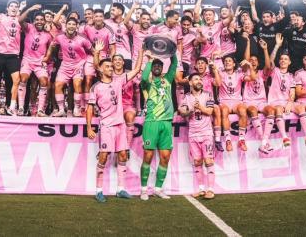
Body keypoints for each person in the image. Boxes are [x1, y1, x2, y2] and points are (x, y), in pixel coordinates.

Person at [87, 44, 149, 202]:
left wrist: (141, 52)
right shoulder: (96, 88)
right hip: (107, 126)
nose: (110, 68)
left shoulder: (118, 81)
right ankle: (98, 190)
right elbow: (89, 108)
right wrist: (89, 128)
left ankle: (121, 189)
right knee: (103, 156)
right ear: (101, 70)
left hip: (121, 125)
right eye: (107, 66)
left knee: (122, 155)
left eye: (111, 66)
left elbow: (136, 70)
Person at [0, 0, 35, 115]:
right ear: (7, 8)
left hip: (13, 55)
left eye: (16, 6)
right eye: (11, 6)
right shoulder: (1, 17)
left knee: (17, 80)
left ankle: (12, 107)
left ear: (18, 9)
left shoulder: (21, 20)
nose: (13, 8)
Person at [139, 53, 177, 200]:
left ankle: (158, 189)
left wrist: (172, 52)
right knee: (148, 156)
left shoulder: (167, 80)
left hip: (166, 122)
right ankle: (143, 190)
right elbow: (143, 78)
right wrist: (149, 61)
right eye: (154, 65)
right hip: (152, 122)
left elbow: (174, 65)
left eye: (159, 65)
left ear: (162, 68)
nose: (157, 67)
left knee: (165, 157)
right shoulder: (147, 83)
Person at [43, 17, 93, 117]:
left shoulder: (83, 38)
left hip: (78, 65)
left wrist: (98, 63)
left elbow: (93, 51)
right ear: (65, 25)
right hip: (65, 65)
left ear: (77, 26)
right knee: (58, 85)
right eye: (69, 24)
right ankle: (61, 110)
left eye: (73, 24)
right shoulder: (59, 37)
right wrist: (47, 57)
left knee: (77, 84)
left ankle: (77, 109)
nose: (71, 26)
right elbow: (51, 46)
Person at [179, 73, 216, 199]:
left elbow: (209, 111)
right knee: (197, 161)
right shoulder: (186, 97)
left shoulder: (208, 95)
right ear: (190, 83)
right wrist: (190, 110)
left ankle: (210, 189)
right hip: (193, 134)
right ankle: (201, 189)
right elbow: (182, 112)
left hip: (206, 133)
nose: (199, 81)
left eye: (200, 79)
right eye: (196, 79)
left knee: (208, 160)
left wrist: (199, 107)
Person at [263, 33, 300, 149]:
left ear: (289, 62)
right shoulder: (275, 71)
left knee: (302, 108)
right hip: (275, 102)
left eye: (286, 59)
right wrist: (277, 46)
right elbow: (270, 62)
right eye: (281, 59)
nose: (283, 61)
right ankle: (284, 137)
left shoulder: (291, 76)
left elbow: (292, 93)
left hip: (286, 102)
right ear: (279, 62)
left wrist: (290, 102)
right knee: (278, 109)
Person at [80, 9, 116, 115]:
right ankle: (86, 106)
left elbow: (113, 48)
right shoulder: (87, 27)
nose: (98, 18)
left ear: (103, 18)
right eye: (96, 16)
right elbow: (79, 38)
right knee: (88, 80)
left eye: (101, 16)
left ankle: (101, 106)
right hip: (90, 56)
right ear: (93, 18)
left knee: (103, 81)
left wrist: (109, 61)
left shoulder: (109, 30)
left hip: (103, 57)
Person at [18, 10, 53, 117]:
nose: (39, 21)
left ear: (45, 21)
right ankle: (21, 108)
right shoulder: (29, 28)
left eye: (41, 20)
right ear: (34, 21)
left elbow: (51, 48)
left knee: (44, 82)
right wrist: (30, 9)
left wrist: (46, 58)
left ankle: (40, 110)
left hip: (39, 62)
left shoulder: (48, 35)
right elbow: (20, 20)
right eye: (37, 20)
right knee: (23, 79)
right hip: (27, 61)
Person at [105, 3, 132, 69]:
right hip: (111, 55)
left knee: (127, 74)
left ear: (120, 12)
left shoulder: (128, 23)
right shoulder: (106, 23)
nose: (111, 12)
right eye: (111, 10)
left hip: (125, 55)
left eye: (113, 10)